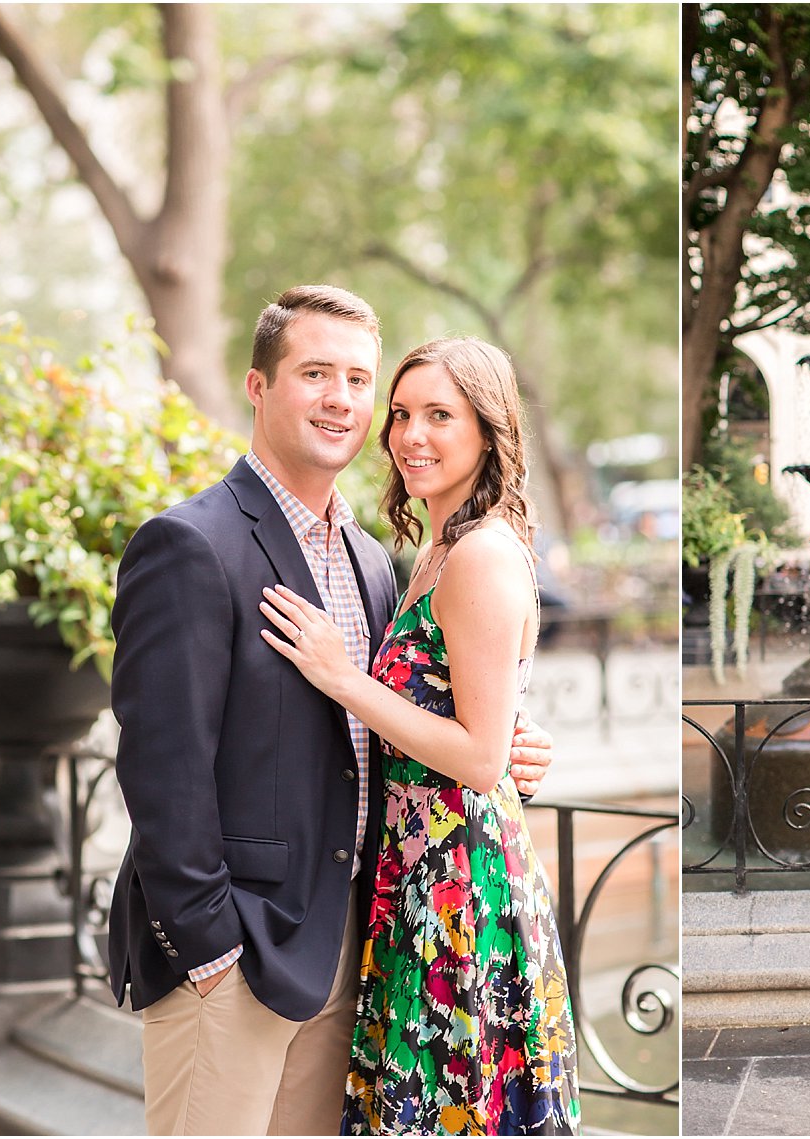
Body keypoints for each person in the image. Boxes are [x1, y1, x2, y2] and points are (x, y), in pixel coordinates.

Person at [108, 286, 554, 1136]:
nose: (342, 399)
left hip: (358, 947)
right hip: (233, 958)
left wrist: (510, 746)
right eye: (316, 372)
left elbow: (403, 719)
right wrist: (211, 949)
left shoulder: (374, 561)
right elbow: (161, 771)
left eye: (358, 378)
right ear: (258, 387)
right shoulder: (190, 544)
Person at [260, 335, 580, 1134]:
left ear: (488, 430)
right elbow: (479, 717)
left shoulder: (479, 555)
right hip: (416, 876)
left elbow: (475, 757)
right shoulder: (435, 550)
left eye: (441, 414)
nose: (412, 435)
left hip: (460, 887)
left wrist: (345, 678)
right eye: (402, 414)